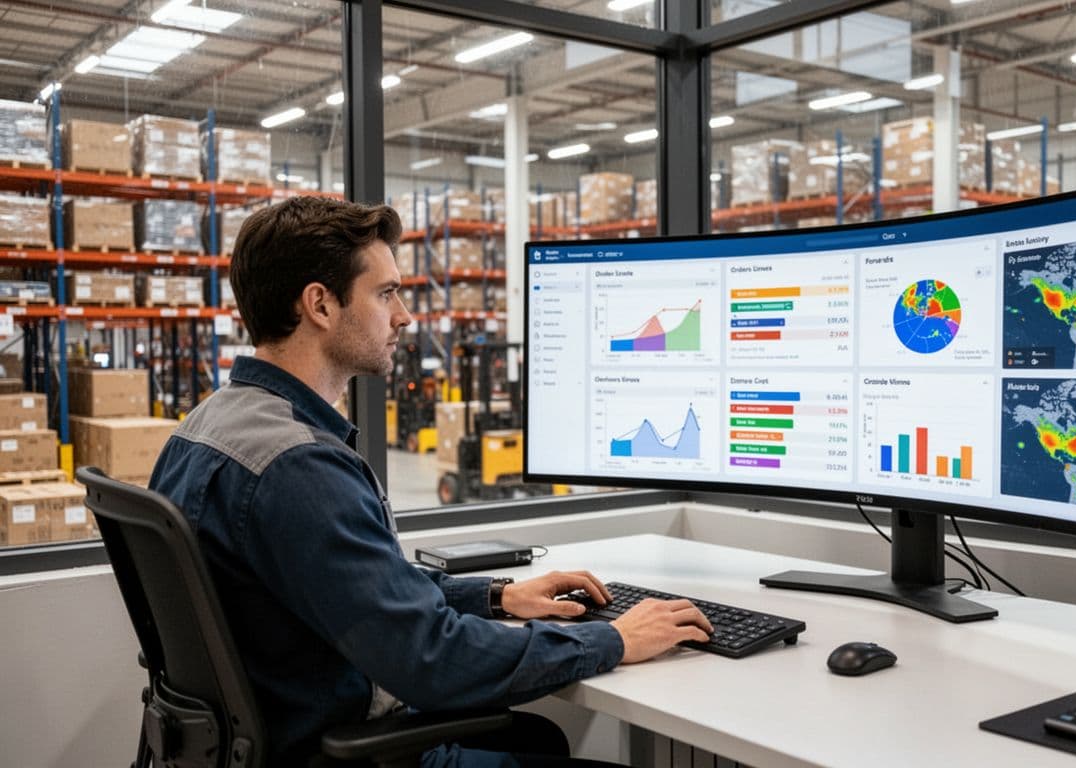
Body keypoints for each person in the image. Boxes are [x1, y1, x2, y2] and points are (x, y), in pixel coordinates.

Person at [150, 196, 713, 767]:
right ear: (320, 304)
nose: (405, 316)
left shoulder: (202, 429)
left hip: (281, 731)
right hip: (337, 749)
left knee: (535, 739)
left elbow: (361, 586)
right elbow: (431, 661)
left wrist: (498, 596)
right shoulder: (297, 467)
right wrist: (614, 639)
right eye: (386, 293)